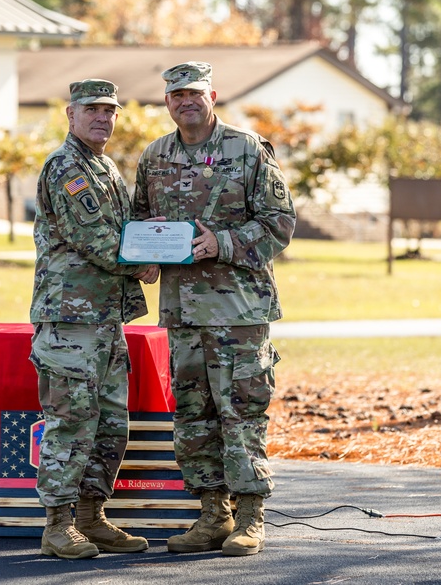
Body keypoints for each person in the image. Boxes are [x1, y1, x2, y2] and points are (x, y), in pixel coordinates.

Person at [132, 61, 296, 557]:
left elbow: (280, 222)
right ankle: (212, 515)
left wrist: (221, 243)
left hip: (238, 312)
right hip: (181, 314)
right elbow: (141, 217)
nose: (186, 101)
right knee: (194, 415)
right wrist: (145, 256)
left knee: (241, 412)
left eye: (195, 93)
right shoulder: (155, 154)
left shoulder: (247, 149)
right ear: (167, 102)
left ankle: (250, 516)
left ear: (212, 96)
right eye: (177, 95)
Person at [29, 78, 159, 559]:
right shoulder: (67, 167)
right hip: (70, 321)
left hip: (103, 319)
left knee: (109, 423)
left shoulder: (102, 166)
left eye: (110, 110)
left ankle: (91, 517)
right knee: (71, 421)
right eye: (92, 110)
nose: (103, 117)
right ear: (71, 114)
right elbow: (97, 241)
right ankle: (58, 524)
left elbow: (123, 231)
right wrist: (146, 263)